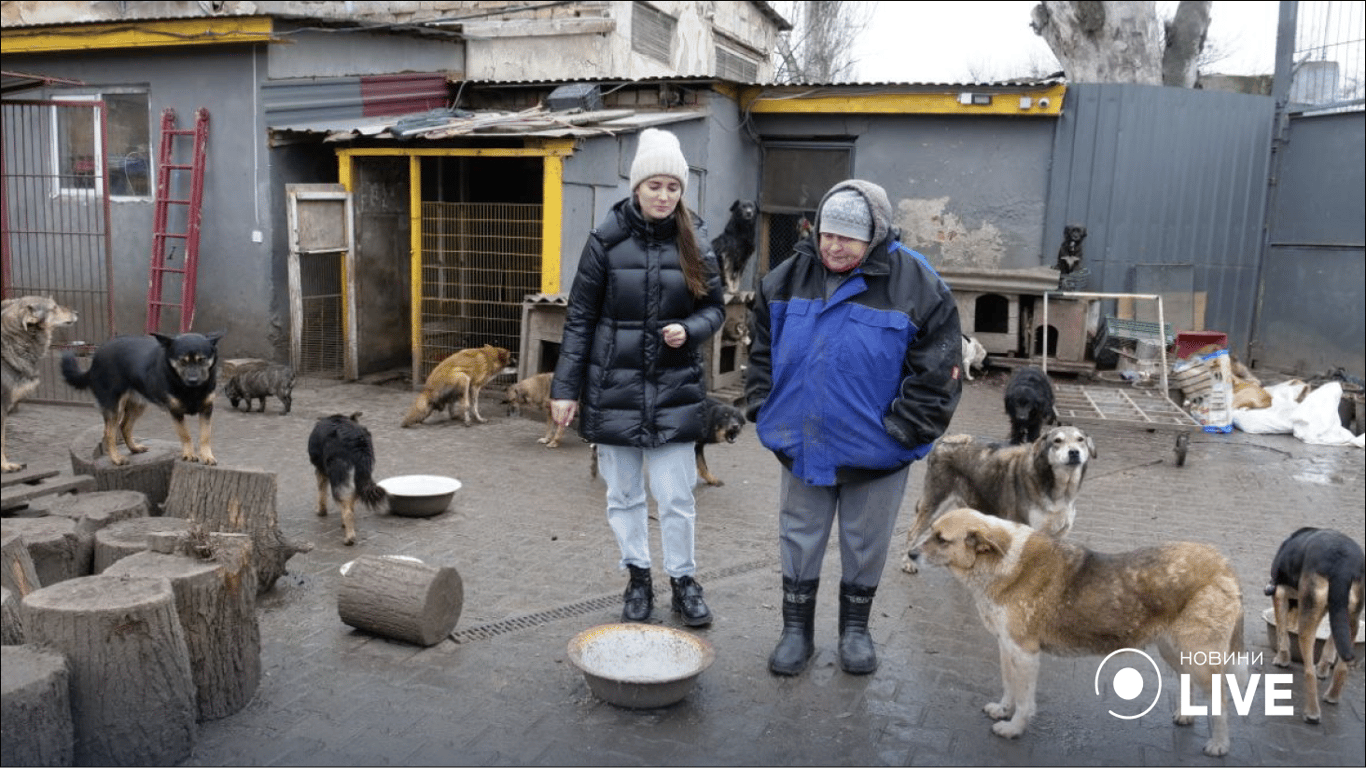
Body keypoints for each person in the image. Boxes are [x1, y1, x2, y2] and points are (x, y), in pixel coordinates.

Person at [744, 179, 963, 675]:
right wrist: (763, 404)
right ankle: (795, 631)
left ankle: (856, 631)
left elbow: (942, 370)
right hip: (802, 444)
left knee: (865, 543)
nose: (834, 245)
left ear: (876, 235)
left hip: (876, 452)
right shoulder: (786, 278)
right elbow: (760, 348)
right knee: (798, 537)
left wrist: (905, 432)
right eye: (827, 234)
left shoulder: (918, 285)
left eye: (848, 237)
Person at [550, 128, 726, 627]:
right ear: (637, 187)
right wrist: (564, 390)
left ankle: (685, 581)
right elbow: (580, 318)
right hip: (613, 388)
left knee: (676, 496)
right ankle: (637, 578)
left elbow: (715, 308)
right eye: (655, 186)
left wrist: (689, 329)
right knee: (623, 495)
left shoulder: (696, 240)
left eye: (673, 187)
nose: (664, 196)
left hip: (674, 389)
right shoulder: (605, 241)